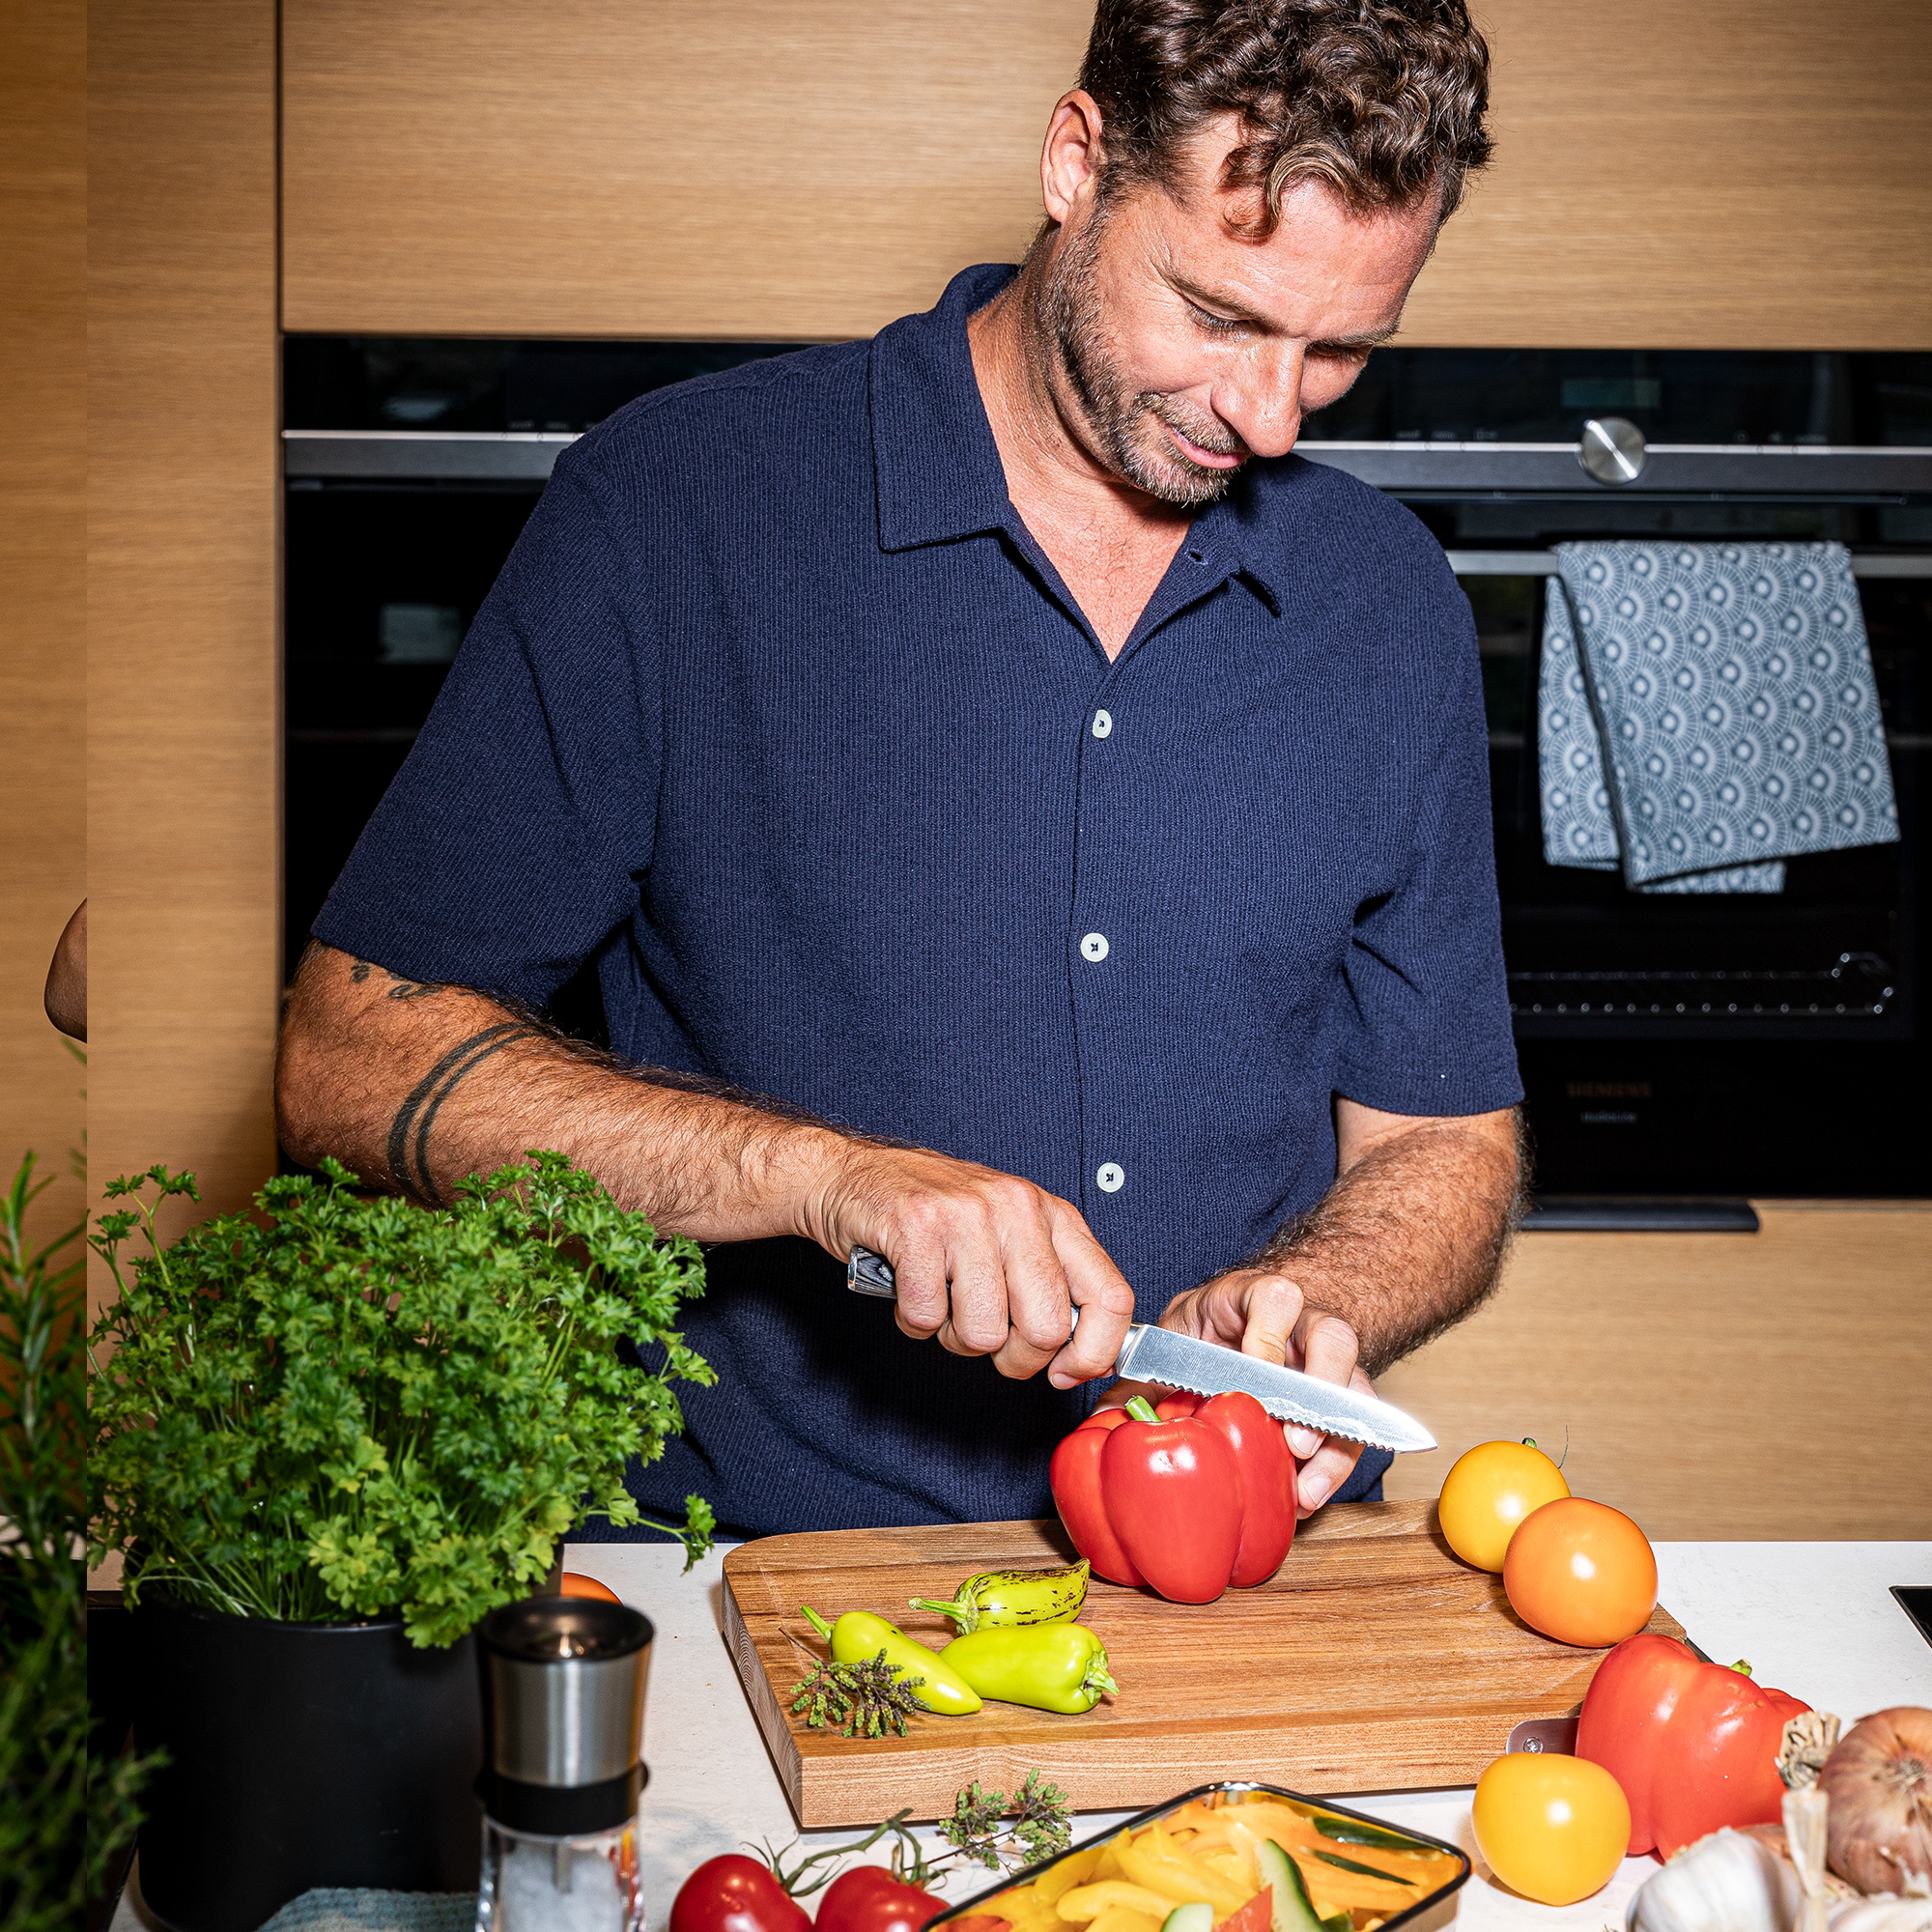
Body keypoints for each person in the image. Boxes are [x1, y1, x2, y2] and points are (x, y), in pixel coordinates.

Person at [277, 0, 1523, 1543]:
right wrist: (821, 1179)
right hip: (757, 1572)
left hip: (1252, 1567)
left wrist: (1319, 1299)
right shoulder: (679, 510)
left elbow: (1443, 1137)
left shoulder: (1385, 601)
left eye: (1339, 351)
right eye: (1217, 316)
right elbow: (349, 1063)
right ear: (1077, 162)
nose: (1268, 417)